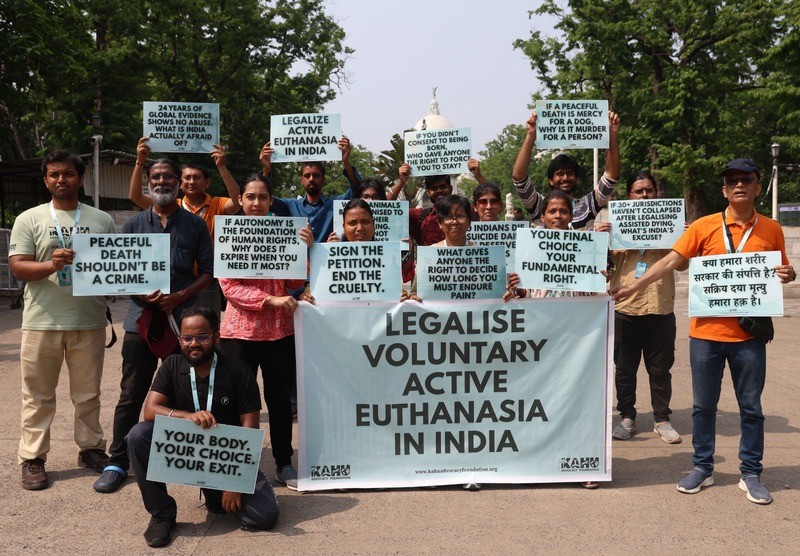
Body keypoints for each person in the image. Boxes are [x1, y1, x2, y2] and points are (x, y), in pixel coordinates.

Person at [611, 158, 796, 505]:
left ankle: (751, 472)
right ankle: (702, 467)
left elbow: (782, 270)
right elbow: (669, 262)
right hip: (706, 336)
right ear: (724, 190)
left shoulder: (771, 229)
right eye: (732, 180)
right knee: (703, 407)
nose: (739, 184)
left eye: (747, 179)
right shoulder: (704, 226)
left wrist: (790, 275)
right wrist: (634, 287)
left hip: (749, 337)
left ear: (758, 186)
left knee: (752, 408)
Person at [94, 155, 214, 494]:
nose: (162, 182)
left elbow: (208, 271)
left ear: (178, 183)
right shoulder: (133, 224)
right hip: (140, 322)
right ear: (149, 182)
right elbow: (122, 273)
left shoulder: (195, 225)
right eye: (156, 176)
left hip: (183, 323)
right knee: (132, 393)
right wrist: (143, 294)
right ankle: (117, 461)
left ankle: (191, 462)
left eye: (168, 177)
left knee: (187, 392)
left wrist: (179, 296)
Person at [127, 306, 279, 547]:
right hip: (186, 453)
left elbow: (250, 430)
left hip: (226, 459)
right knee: (138, 435)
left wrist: (234, 482)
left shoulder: (238, 371)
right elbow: (150, 410)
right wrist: (186, 417)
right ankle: (162, 514)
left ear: (216, 337)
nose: (194, 343)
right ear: (180, 340)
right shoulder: (172, 365)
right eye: (187, 338)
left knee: (264, 516)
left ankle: (214, 489)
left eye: (202, 337)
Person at [9, 151, 117, 490]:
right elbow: (18, 266)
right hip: (42, 320)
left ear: (80, 179)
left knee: (88, 394)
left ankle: (90, 449)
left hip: (88, 320)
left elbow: (115, 266)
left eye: (68, 174)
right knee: (38, 395)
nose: (61, 180)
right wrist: (52, 266)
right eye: (54, 174)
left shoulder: (101, 220)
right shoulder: (30, 219)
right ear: (46, 180)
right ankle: (33, 458)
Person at [217, 174, 313, 491]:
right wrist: (268, 299)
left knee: (280, 402)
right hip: (239, 333)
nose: (256, 202)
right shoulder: (229, 233)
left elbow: (296, 283)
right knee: (238, 402)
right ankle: (238, 466)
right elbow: (229, 287)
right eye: (250, 197)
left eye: (263, 197)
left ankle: (284, 463)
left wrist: (307, 252)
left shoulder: (287, 233)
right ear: (241, 200)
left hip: (279, 332)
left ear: (271, 201)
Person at [504, 190, 599, 489]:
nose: (558, 216)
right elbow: (524, 294)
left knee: (577, 402)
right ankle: (537, 460)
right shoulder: (529, 249)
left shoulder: (587, 248)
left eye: (564, 211)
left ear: (572, 216)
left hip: (576, 341)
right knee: (538, 402)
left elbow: (596, 295)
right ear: (542, 216)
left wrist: (597, 276)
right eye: (552, 211)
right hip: (540, 339)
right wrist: (516, 288)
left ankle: (584, 461)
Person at [595, 171, 684, 444]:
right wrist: (602, 243)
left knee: (660, 370)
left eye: (649, 190)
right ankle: (627, 417)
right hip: (625, 309)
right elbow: (603, 271)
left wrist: (684, 237)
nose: (644, 195)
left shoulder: (671, 227)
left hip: (660, 308)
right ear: (628, 196)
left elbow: (682, 264)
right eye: (638, 191)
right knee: (624, 369)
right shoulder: (614, 229)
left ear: (656, 194)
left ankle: (662, 419)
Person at [128, 138, 241, 317]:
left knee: (208, 330)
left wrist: (221, 167)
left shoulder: (217, 204)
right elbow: (135, 196)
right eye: (186, 178)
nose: (191, 182)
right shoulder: (171, 205)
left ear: (207, 183)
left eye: (197, 178)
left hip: (206, 281)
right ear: (180, 183)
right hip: (177, 283)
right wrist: (140, 161)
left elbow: (237, 202)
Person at [512, 111, 621, 229]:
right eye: (559, 174)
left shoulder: (588, 205)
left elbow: (611, 175)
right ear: (551, 180)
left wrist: (612, 134)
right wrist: (530, 134)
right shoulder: (540, 205)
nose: (565, 178)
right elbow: (519, 178)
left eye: (570, 173)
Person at [259, 136, 360, 242]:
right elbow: (264, 198)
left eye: (316, 175)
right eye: (307, 176)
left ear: (323, 179)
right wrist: (266, 169)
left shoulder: (334, 205)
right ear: (301, 180)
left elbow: (356, 189)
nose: (311, 179)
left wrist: (346, 162)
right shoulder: (290, 206)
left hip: (326, 258)